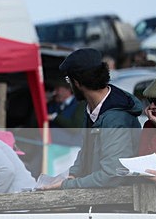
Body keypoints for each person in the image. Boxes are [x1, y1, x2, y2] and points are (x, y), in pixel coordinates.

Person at [40, 48, 142, 190]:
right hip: (97, 197)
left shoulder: (116, 117)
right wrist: (73, 174)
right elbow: (85, 152)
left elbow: (111, 175)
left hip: (117, 203)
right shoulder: (92, 108)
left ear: (77, 83)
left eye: (68, 80)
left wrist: (67, 184)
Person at [47, 78, 86, 146]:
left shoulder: (80, 104)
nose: (55, 92)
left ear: (68, 90)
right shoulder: (54, 104)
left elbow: (75, 128)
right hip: (53, 144)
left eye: (58, 89)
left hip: (70, 146)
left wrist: (55, 117)